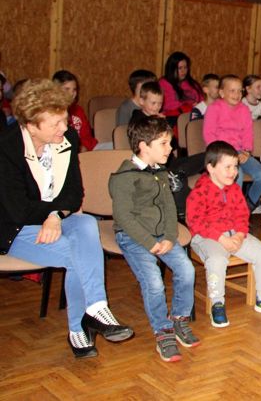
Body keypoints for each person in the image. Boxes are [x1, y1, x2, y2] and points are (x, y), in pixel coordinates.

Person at [0, 79, 133, 358]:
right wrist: (52, 214)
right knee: (79, 256)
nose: (65, 127)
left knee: (86, 223)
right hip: (15, 228)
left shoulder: (68, 139)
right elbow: (18, 209)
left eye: (64, 119)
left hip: (55, 219)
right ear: (31, 125)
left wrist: (56, 214)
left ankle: (94, 311)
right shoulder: (7, 147)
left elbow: (74, 194)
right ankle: (81, 326)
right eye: (55, 123)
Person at [109, 116, 197, 362]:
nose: (171, 148)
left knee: (187, 270)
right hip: (134, 236)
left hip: (161, 235)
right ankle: (163, 331)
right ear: (144, 146)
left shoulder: (160, 172)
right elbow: (124, 217)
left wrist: (169, 236)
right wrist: (149, 243)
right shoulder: (124, 177)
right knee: (154, 282)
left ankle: (178, 319)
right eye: (164, 143)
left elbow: (169, 208)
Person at [186, 141, 261, 327]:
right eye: (228, 167)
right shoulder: (199, 191)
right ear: (211, 168)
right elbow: (196, 222)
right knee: (217, 261)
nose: (233, 172)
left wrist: (239, 234)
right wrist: (221, 238)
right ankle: (217, 303)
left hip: (234, 234)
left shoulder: (235, 189)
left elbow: (242, 215)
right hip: (207, 237)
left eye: (235, 166)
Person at [203, 75, 261, 211]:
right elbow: (209, 134)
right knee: (235, 174)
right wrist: (221, 154)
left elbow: (247, 133)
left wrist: (246, 151)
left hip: (240, 152)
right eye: (232, 91)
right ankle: (230, 210)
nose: (237, 94)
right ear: (222, 93)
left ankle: (247, 207)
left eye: (240, 91)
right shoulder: (214, 109)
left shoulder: (244, 110)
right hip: (220, 153)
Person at [52, 70, 97, 151]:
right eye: (67, 89)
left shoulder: (78, 110)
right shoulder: (50, 114)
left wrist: (84, 146)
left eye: (74, 90)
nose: (72, 93)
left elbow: (87, 136)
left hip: (86, 149)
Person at [159, 52, 203, 122]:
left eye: (185, 67)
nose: (183, 71)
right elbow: (169, 105)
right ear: (172, 69)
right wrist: (190, 106)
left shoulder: (192, 83)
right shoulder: (164, 83)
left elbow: (201, 100)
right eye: (180, 68)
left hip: (194, 118)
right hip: (174, 119)